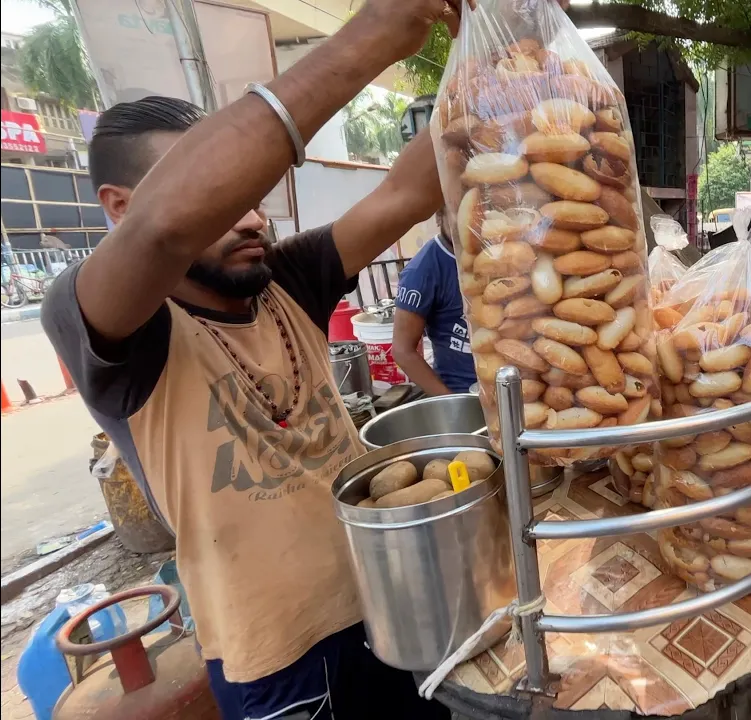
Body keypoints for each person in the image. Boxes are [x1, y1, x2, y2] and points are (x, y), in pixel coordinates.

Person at [39, 0, 462, 716]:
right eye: (223, 198)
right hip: (280, 667)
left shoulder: (287, 280)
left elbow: (409, 190)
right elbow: (166, 229)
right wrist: (369, 39)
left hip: (389, 611)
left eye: (255, 194)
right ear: (118, 208)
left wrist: (483, 52)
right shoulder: (107, 328)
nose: (251, 215)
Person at [392, 227, 476, 395]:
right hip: (462, 392)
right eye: (454, 210)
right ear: (439, 215)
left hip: (516, 386)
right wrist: (453, 403)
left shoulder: (497, 252)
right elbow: (402, 351)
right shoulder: (422, 271)